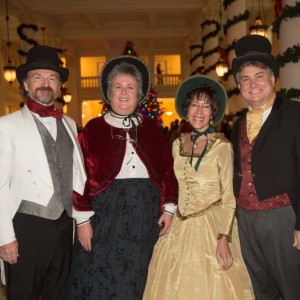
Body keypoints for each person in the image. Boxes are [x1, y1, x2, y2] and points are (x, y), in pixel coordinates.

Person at [67, 55, 178, 300]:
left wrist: (169, 209)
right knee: (98, 275)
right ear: (109, 93)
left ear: (139, 94)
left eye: (130, 87)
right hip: (103, 215)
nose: (124, 93)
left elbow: (167, 170)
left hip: (144, 215)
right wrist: (83, 221)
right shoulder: (93, 129)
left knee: (138, 276)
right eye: (118, 87)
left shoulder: (152, 130)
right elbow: (78, 175)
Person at [143, 75, 254, 299]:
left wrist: (224, 238)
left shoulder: (222, 146)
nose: (199, 111)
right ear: (187, 108)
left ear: (213, 112)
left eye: (205, 106)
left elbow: (228, 197)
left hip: (212, 226)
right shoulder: (177, 143)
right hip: (179, 226)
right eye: (194, 104)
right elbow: (172, 183)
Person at [0, 45, 87, 300]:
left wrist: (81, 219)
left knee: (59, 295)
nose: (45, 83)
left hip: (63, 226)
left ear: (59, 86)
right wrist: (5, 237)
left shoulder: (69, 123)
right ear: (26, 84)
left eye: (52, 78)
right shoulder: (7, 126)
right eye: (38, 77)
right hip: (25, 227)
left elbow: (78, 176)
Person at [231, 34, 300, 300]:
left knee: (292, 286)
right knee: (260, 288)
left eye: (259, 76)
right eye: (245, 79)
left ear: (273, 79)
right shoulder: (237, 124)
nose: (253, 84)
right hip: (245, 219)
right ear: (239, 86)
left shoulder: (294, 114)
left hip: (283, 216)